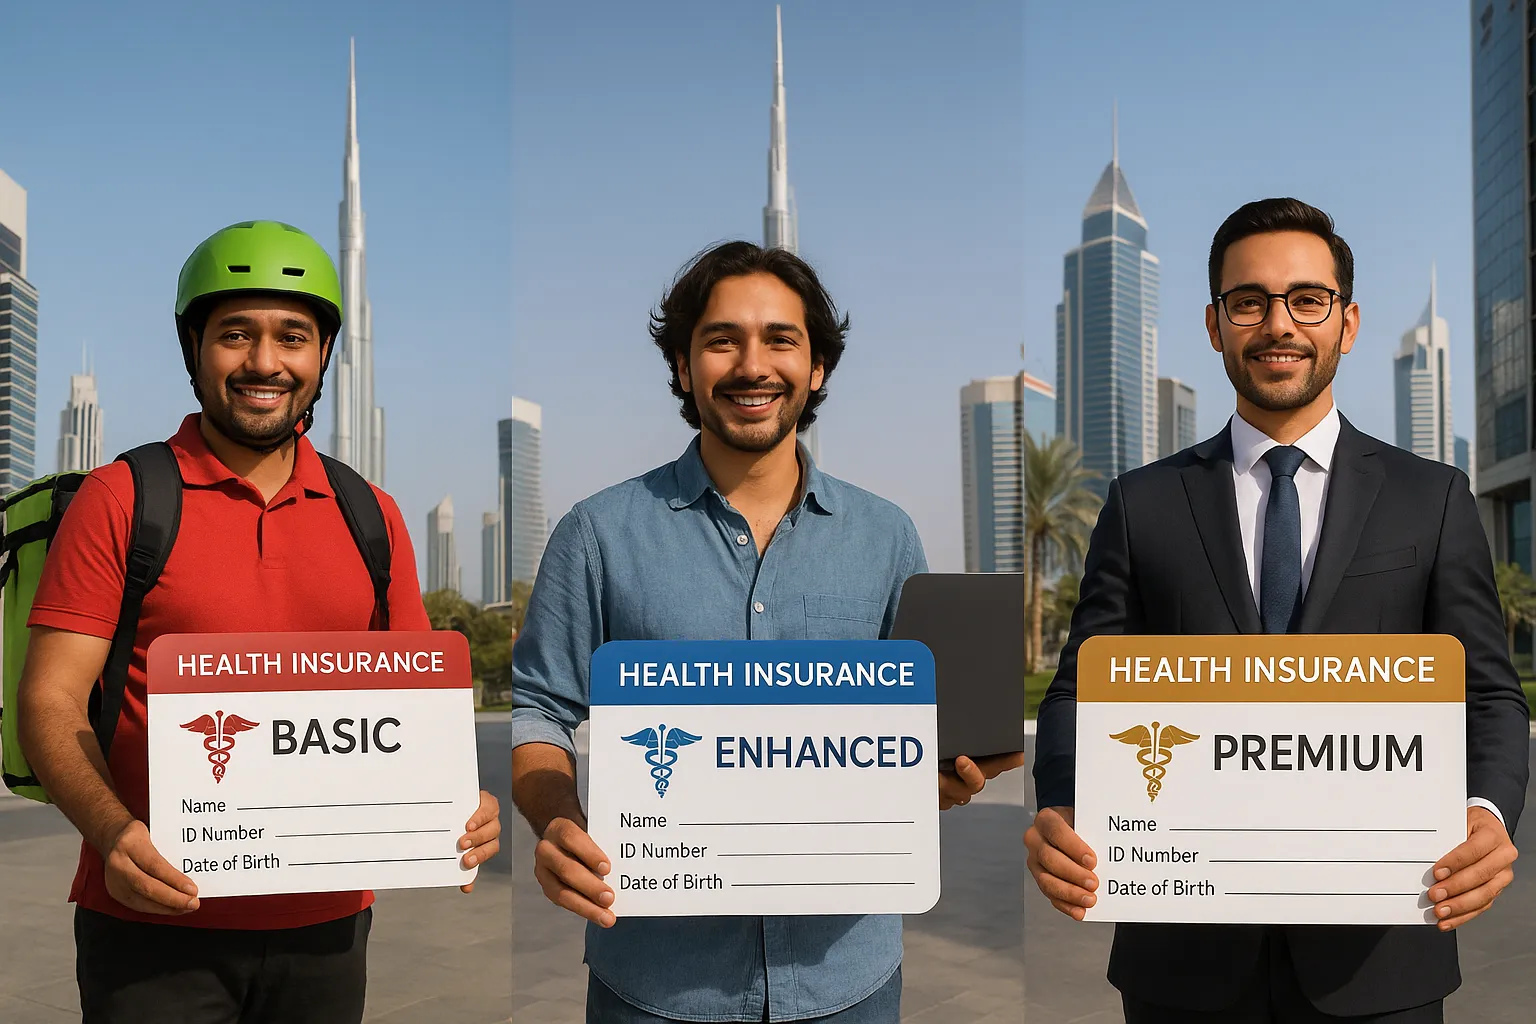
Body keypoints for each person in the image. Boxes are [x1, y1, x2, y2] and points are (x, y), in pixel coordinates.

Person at [1026, 198, 1529, 1024]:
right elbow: (1083, 688)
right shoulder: (1142, 503)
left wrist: (1485, 814)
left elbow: (1490, 695)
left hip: (1383, 953)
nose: (1279, 324)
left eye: (1307, 300)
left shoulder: (1431, 498)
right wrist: (1063, 803)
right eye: (1249, 302)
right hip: (1183, 961)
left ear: (1348, 322)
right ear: (1217, 324)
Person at [510, 240, 1024, 1023]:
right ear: (683, 366)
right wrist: (558, 820)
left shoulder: (887, 538)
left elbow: (920, 723)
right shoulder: (597, 535)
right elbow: (540, 709)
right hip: (656, 981)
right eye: (722, 340)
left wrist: (943, 776)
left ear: (817, 367)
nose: (754, 365)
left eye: (781, 338)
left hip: (845, 978)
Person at [16, 220, 502, 1024]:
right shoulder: (123, 497)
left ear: (323, 357)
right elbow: (51, 700)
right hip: (150, 919)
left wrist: (460, 802)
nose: (265, 362)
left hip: (329, 929)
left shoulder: (370, 516)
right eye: (235, 334)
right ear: (194, 349)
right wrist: (111, 833)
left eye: (293, 337)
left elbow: (422, 714)